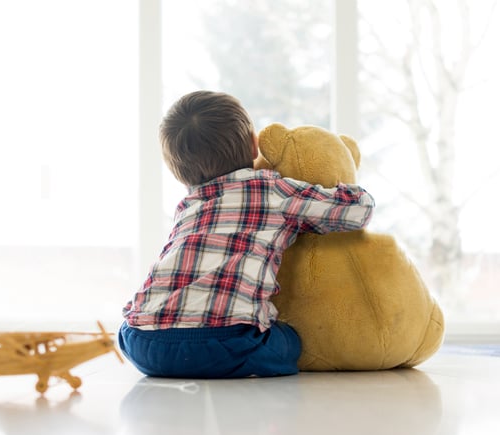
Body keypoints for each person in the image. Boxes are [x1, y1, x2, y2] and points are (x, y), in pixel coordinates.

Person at [119, 90, 375, 378]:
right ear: (255, 145)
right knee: (290, 341)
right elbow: (358, 211)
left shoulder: (188, 207)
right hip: (224, 342)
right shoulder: (273, 190)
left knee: (136, 328)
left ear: (178, 171)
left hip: (141, 341)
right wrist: (347, 185)